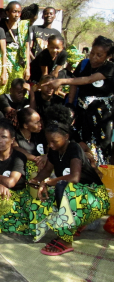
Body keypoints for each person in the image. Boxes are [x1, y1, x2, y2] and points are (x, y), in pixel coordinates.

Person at [28, 106, 109, 255]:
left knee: (63, 187)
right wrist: (36, 181)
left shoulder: (74, 148)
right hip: (78, 197)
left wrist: (47, 182)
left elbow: (74, 178)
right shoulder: (54, 150)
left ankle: (65, 239)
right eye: (49, 142)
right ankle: (70, 226)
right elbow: (46, 170)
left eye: (54, 141)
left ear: (66, 137)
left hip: (95, 197)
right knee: (43, 197)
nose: (51, 145)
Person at [42, 36, 114, 166]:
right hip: (83, 113)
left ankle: (100, 171)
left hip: (101, 117)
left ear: (108, 56)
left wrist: (61, 81)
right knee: (81, 140)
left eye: (99, 55)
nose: (94, 57)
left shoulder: (110, 68)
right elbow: (75, 83)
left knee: (100, 144)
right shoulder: (84, 64)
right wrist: (70, 105)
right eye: (92, 53)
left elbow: (87, 80)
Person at [0, 1, 31, 84]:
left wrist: (27, 68)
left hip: (19, 65)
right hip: (4, 64)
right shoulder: (0, 26)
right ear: (7, 12)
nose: (16, 15)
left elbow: (27, 48)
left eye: (19, 12)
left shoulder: (23, 28)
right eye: (14, 11)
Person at [13, 108, 47, 181]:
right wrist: (36, 159)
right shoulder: (15, 136)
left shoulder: (41, 134)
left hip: (43, 168)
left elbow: (51, 147)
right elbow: (16, 148)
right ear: (25, 125)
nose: (40, 124)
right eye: (36, 123)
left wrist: (46, 156)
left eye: (40, 121)